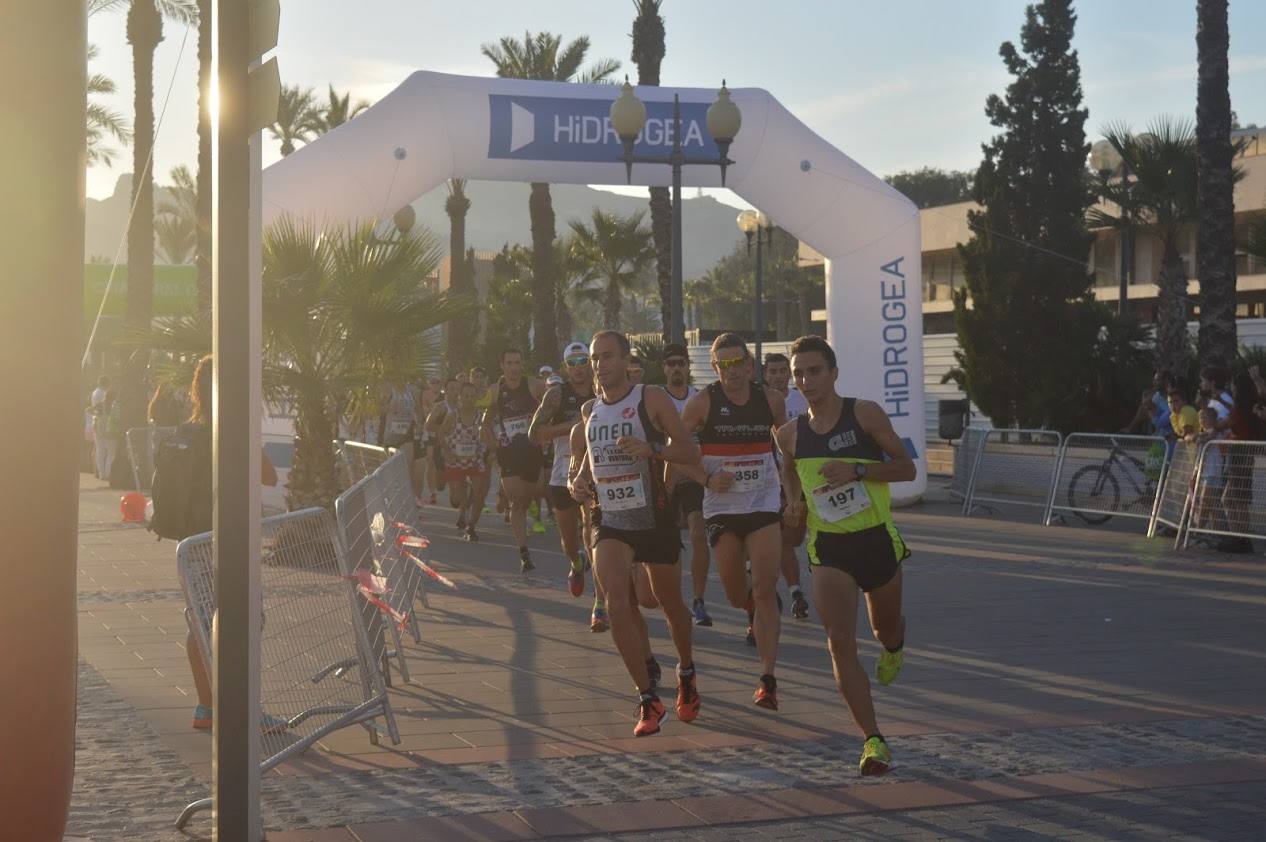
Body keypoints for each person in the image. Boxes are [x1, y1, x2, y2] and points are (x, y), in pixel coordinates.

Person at [776, 335, 914, 776]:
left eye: (814, 371)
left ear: (833, 373)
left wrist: (856, 471)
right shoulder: (790, 435)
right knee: (839, 641)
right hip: (828, 547)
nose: (806, 380)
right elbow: (791, 476)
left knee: (883, 628)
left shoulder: (864, 413)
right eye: (799, 373)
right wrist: (793, 504)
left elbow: (906, 467)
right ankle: (873, 741)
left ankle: (894, 645)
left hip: (875, 539)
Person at [568, 330, 701, 737]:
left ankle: (686, 669)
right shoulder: (590, 410)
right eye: (594, 358)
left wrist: (653, 451)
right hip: (610, 520)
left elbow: (690, 451)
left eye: (608, 356)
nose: (600, 364)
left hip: (654, 518)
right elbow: (589, 462)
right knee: (615, 600)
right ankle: (648, 697)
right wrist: (578, 482)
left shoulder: (650, 398)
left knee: (670, 604)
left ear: (626, 360)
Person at [681, 333, 787, 709]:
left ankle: (767, 679)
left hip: (762, 503)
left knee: (763, 588)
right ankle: (752, 610)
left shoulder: (771, 400)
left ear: (748, 364)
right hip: (723, 507)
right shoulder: (703, 403)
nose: (731, 371)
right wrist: (706, 479)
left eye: (737, 362)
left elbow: (785, 446)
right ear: (714, 367)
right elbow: (676, 451)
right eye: (722, 364)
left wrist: (793, 494)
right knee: (734, 592)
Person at [179, 356, 280, 731]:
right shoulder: (234, 429)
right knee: (246, 621)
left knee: (200, 622)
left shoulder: (192, 430)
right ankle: (246, 711)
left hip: (193, 541)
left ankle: (207, 707)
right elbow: (268, 476)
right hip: (230, 540)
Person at [530, 342, 596, 600]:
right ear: (566, 367)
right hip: (563, 474)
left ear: (590, 362)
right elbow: (534, 433)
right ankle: (576, 564)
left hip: (593, 473)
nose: (579, 368)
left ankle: (601, 599)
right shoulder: (557, 395)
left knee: (592, 531)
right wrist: (573, 426)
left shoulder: (600, 390)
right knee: (570, 542)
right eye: (573, 363)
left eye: (583, 361)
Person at [659, 343, 712, 626]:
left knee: (698, 533)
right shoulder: (656, 400)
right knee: (665, 541)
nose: (677, 367)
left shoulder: (700, 398)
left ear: (688, 366)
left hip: (694, 476)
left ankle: (699, 599)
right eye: (671, 363)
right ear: (664, 368)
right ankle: (671, 599)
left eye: (681, 362)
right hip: (665, 478)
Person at [481, 348, 547, 571]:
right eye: (509, 363)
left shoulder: (535, 386)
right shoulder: (495, 391)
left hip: (532, 450)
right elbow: (485, 423)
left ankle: (507, 492)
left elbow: (552, 407)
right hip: (508, 452)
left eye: (517, 362)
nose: (513, 368)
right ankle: (524, 553)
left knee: (536, 491)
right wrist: (493, 444)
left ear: (522, 364)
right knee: (517, 504)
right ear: (502, 366)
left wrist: (544, 427)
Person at [763, 352, 811, 621]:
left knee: (797, 538)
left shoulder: (801, 399)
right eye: (773, 371)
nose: (779, 375)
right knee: (783, 540)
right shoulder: (761, 402)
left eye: (783, 370)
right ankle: (795, 592)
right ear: (765, 374)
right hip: (774, 480)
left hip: (807, 477)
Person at [440, 380, 490, 541]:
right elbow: (441, 434)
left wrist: (490, 451)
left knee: (480, 493)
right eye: (466, 395)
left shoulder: (481, 417)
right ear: (460, 397)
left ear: (476, 398)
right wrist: (447, 452)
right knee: (456, 495)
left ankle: (471, 527)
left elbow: (488, 436)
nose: (469, 399)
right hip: (455, 460)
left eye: (472, 396)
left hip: (475, 459)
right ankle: (463, 507)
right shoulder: (452, 416)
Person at [1218, 372, 1259, 553]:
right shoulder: (1246, 408)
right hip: (1238, 455)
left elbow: (1223, 424)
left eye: (1234, 385)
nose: (1231, 389)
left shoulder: (1241, 410)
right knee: (1229, 498)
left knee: (1239, 498)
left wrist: (1211, 423)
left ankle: (1242, 539)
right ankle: (1237, 536)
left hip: (1240, 455)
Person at [90, 375, 114, 481]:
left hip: (96, 422)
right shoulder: (104, 394)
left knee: (100, 449)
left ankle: (101, 473)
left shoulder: (94, 393)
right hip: (105, 423)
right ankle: (108, 472)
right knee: (110, 450)